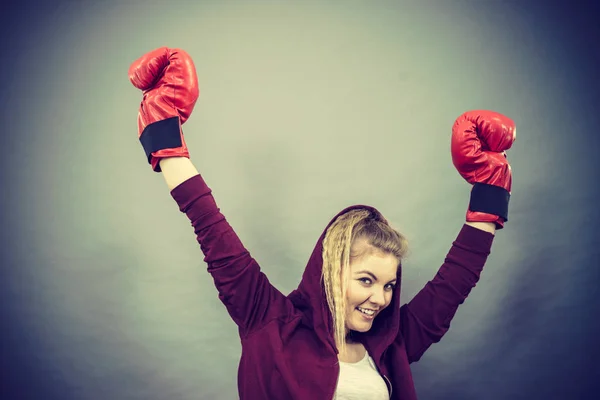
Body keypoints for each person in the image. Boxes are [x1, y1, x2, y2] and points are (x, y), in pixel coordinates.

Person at [128, 47, 515, 400]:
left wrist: (489, 189)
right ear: (331, 273)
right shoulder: (268, 322)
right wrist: (164, 136)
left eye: (389, 285)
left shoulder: (391, 344)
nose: (380, 299)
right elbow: (209, 226)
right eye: (366, 280)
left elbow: (456, 281)